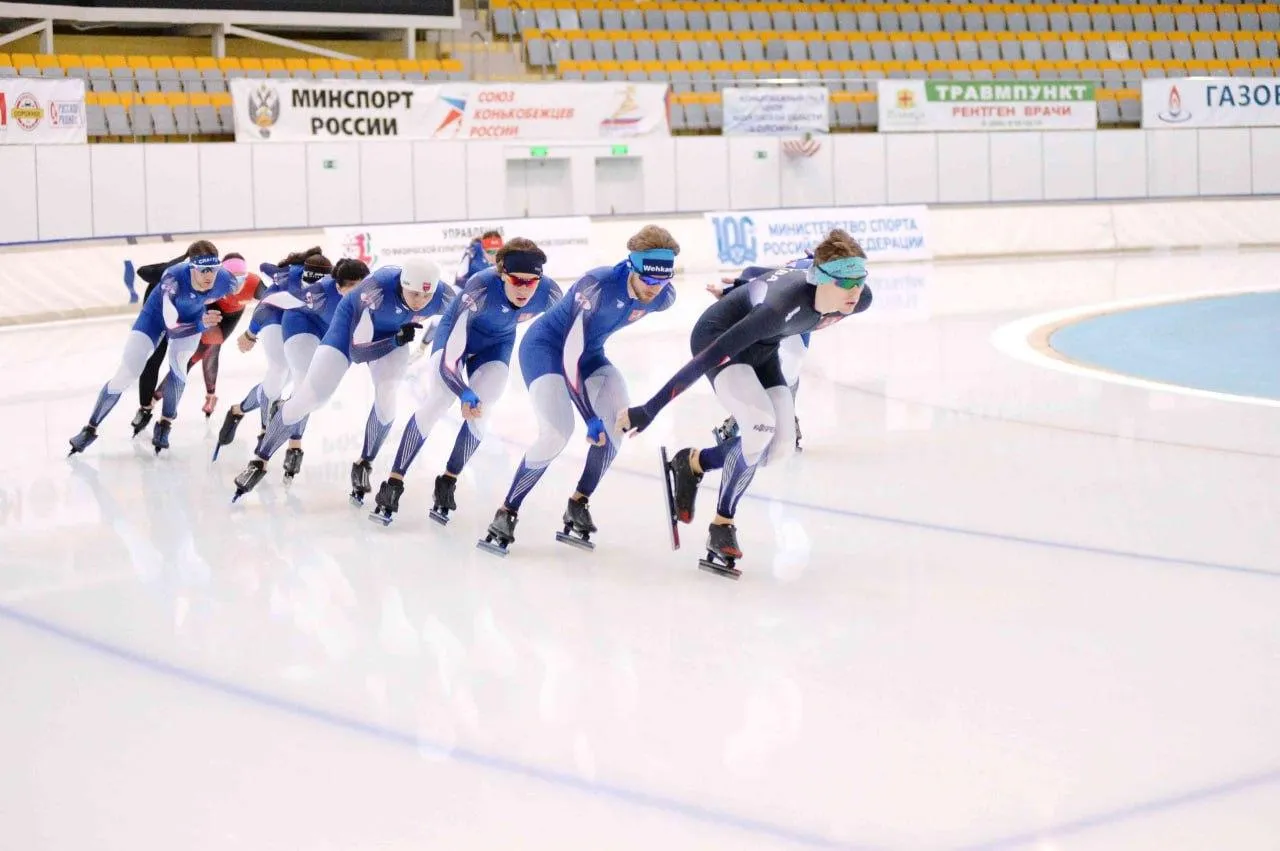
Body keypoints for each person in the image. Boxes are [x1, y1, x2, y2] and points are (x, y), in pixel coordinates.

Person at [616, 228, 873, 578]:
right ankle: (722, 524)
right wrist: (648, 409)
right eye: (844, 284)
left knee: (780, 447)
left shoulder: (861, 297)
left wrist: (739, 283)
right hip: (719, 340)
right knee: (758, 425)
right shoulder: (779, 308)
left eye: (859, 281)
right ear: (819, 278)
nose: (854, 292)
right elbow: (703, 361)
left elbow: (768, 273)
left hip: (765, 349)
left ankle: (693, 463)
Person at [477, 225, 680, 556]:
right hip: (547, 350)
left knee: (618, 423)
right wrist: (588, 415)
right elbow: (569, 353)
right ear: (632, 266)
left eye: (663, 281)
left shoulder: (664, 298)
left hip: (590, 354)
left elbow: (584, 352)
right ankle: (507, 511)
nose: (655, 289)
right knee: (558, 431)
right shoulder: (597, 286)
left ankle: (578, 503)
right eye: (649, 280)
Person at [369, 238, 561, 526]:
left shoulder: (549, 293)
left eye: (532, 282)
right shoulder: (480, 288)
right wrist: (463, 391)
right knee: (439, 400)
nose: (524, 289)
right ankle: (394, 481)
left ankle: (448, 480)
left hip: (496, 346)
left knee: (484, 408)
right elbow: (450, 361)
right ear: (501, 274)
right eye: (516, 281)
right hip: (455, 341)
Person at [231, 256, 455, 501]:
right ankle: (259, 460)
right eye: (414, 294)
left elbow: (457, 324)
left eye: (426, 297)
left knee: (388, 398)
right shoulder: (375, 291)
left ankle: (364, 463)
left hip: (394, 337)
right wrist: (395, 340)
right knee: (311, 398)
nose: (420, 303)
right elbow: (358, 352)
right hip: (348, 332)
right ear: (402, 284)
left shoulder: (443, 296)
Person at [68, 242, 238, 456]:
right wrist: (202, 324)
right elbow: (171, 325)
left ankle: (165, 423)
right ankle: (90, 428)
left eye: (214, 270)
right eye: (203, 270)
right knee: (126, 374)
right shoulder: (172, 279)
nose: (209, 276)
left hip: (193, 320)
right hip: (155, 319)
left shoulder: (225, 280)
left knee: (179, 371)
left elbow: (247, 291)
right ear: (191, 267)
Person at [213, 249, 331, 457]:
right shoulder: (288, 278)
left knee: (301, 381)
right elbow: (266, 305)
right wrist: (251, 333)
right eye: (307, 285)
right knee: (279, 369)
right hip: (277, 317)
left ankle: (238, 410)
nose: (312, 290)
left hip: (308, 323)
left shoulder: (333, 284)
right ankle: (266, 430)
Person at [707, 258, 813, 452]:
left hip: (799, 320)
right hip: (779, 313)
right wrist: (735, 288)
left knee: (790, 369)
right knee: (769, 366)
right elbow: (756, 273)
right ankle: (744, 417)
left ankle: (785, 417)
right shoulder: (806, 269)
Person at [151, 254, 265, 421]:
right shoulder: (211, 280)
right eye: (232, 279)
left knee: (199, 355)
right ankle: (158, 398)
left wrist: (252, 332)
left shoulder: (255, 284)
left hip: (232, 316)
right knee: (196, 354)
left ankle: (158, 397)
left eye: (242, 278)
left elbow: (271, 303)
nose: (237, 285)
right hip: (212, 309)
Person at [126, 242, 207, 436]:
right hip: (159, 322)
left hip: (184, 323)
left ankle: (166, 418)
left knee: (180, 366)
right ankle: (145, 408)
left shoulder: (207, 276)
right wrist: (174, 265)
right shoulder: (173, 271)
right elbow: (142, 271)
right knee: (153, 362)